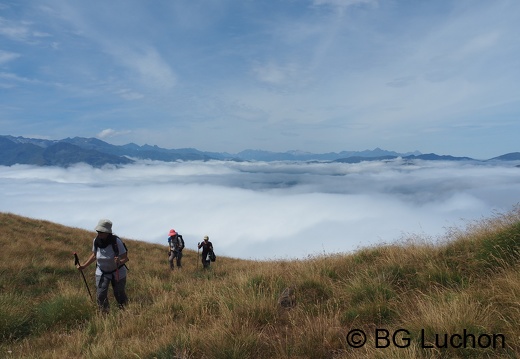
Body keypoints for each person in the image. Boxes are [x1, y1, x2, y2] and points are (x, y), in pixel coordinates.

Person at [76, 219, 129, 313]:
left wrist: (119, 262)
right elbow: (94, 255)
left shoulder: (116, 241)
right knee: (100, 295)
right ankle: (105, 315)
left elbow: (126, 258)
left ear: (107, 232)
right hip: (102, 272)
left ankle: (125, 311)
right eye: (98, 231)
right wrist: (84, 266)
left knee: (119, 294)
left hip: (118, 272)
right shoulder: (96, 241)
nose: (99, 234)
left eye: (101, 232)